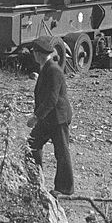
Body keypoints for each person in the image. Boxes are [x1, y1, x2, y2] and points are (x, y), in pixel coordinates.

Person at [26, 36, 74, 196]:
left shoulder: (53, 69)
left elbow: (52, 99)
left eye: (34, 52)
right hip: (49, 117)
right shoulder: (46, 68)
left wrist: (36, 117)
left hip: (58, 117)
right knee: (32, 145)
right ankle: (34, 180)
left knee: (61, 152)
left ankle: (65, 189)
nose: (33, 55)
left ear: (39, 54)